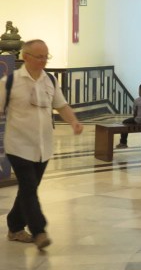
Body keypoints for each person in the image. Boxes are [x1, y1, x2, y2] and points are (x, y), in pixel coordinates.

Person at [1, 39, 83, 250]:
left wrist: (73, 121)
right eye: (39, 56)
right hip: (18, 146)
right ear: (25, 57)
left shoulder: (50, 81)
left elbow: (61, 105)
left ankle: (14, 226)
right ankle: (39, 231)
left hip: (43, 147)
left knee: (29, 188)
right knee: (29, 187)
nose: (44, 61)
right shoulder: (9, 82)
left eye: (46, 56)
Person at [115, 82, 141, 148]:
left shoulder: (137, 100)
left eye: (139, 90)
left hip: (139, 121)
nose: (138, 92)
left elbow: (135, 113)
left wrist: (136, 119)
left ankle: (123, 142)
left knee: (125, 122)